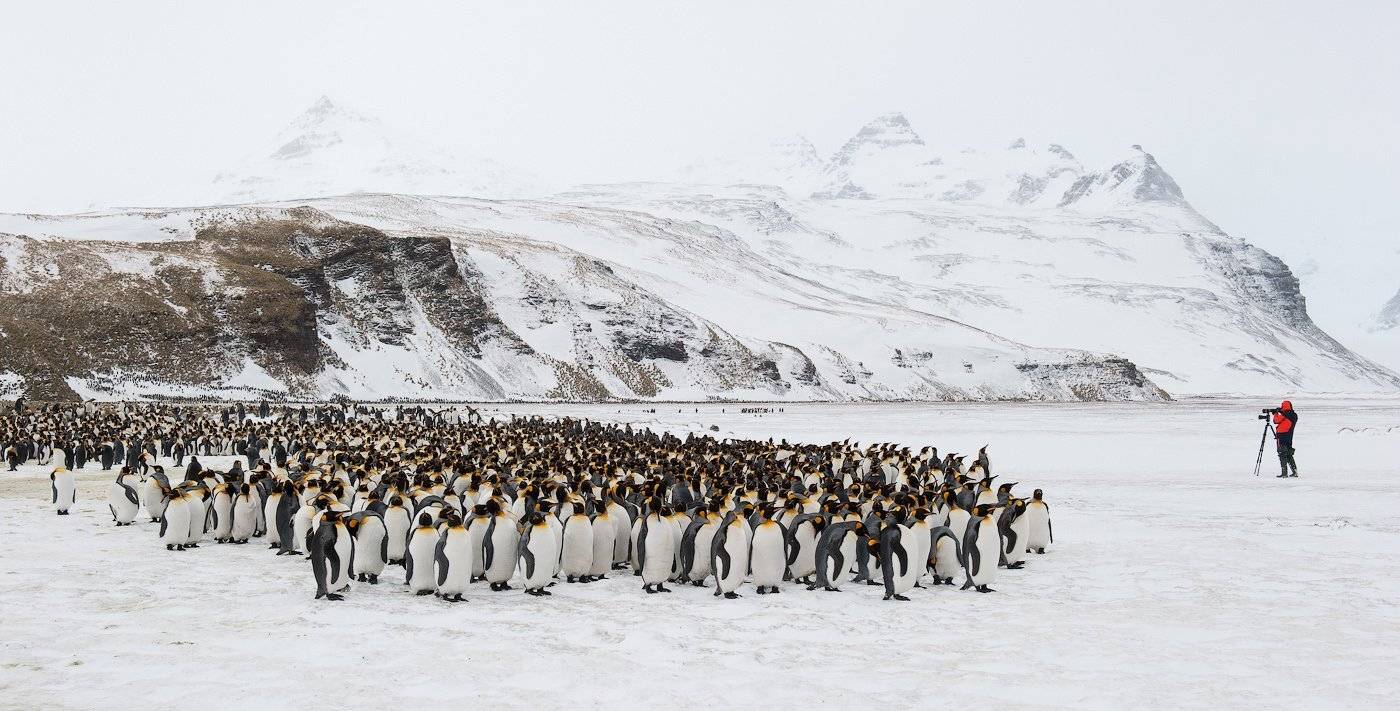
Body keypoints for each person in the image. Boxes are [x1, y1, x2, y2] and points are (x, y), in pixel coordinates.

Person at [1272, 400, 1299, 478]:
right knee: (1289, 454)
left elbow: (1275, 421)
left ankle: (1284, 474)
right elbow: (1286, 419)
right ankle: (1295, 472)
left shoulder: (1285, 414)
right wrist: (1280, 412)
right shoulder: (1293, 415)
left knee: (1282, 454)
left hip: (1281, 436)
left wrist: (1275, 413)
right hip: (1289, 436)